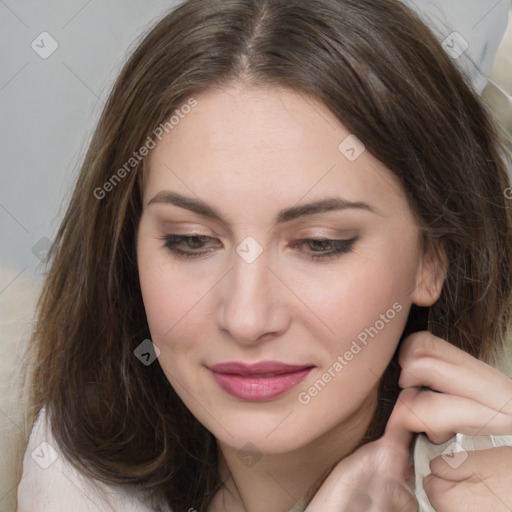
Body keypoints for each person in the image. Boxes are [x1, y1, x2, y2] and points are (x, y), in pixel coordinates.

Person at [16, 0, 512, 511]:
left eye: (320, 243)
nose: (247, 319)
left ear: (431, 260)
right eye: (191, 240)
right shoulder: (80, 476)